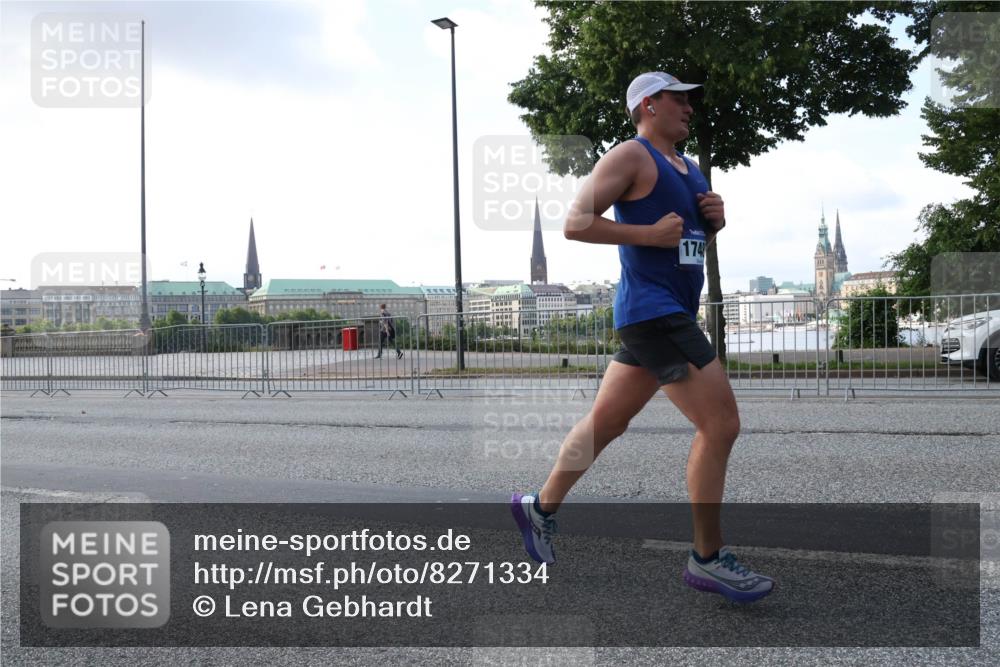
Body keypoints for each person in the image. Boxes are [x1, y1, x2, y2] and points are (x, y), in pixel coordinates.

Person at [511, 72, 774, 603]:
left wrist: (714, 223)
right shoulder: (629, 156)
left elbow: (689, 239)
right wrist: (646, 235)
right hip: (653, 313)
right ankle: (707, 558)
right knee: (720, 424)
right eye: (679, 99)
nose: (689, 108)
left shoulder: (691, 169)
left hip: (666, 311)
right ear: (649, 105)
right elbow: (576, 222)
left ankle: (539, 507)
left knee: (606, 423)